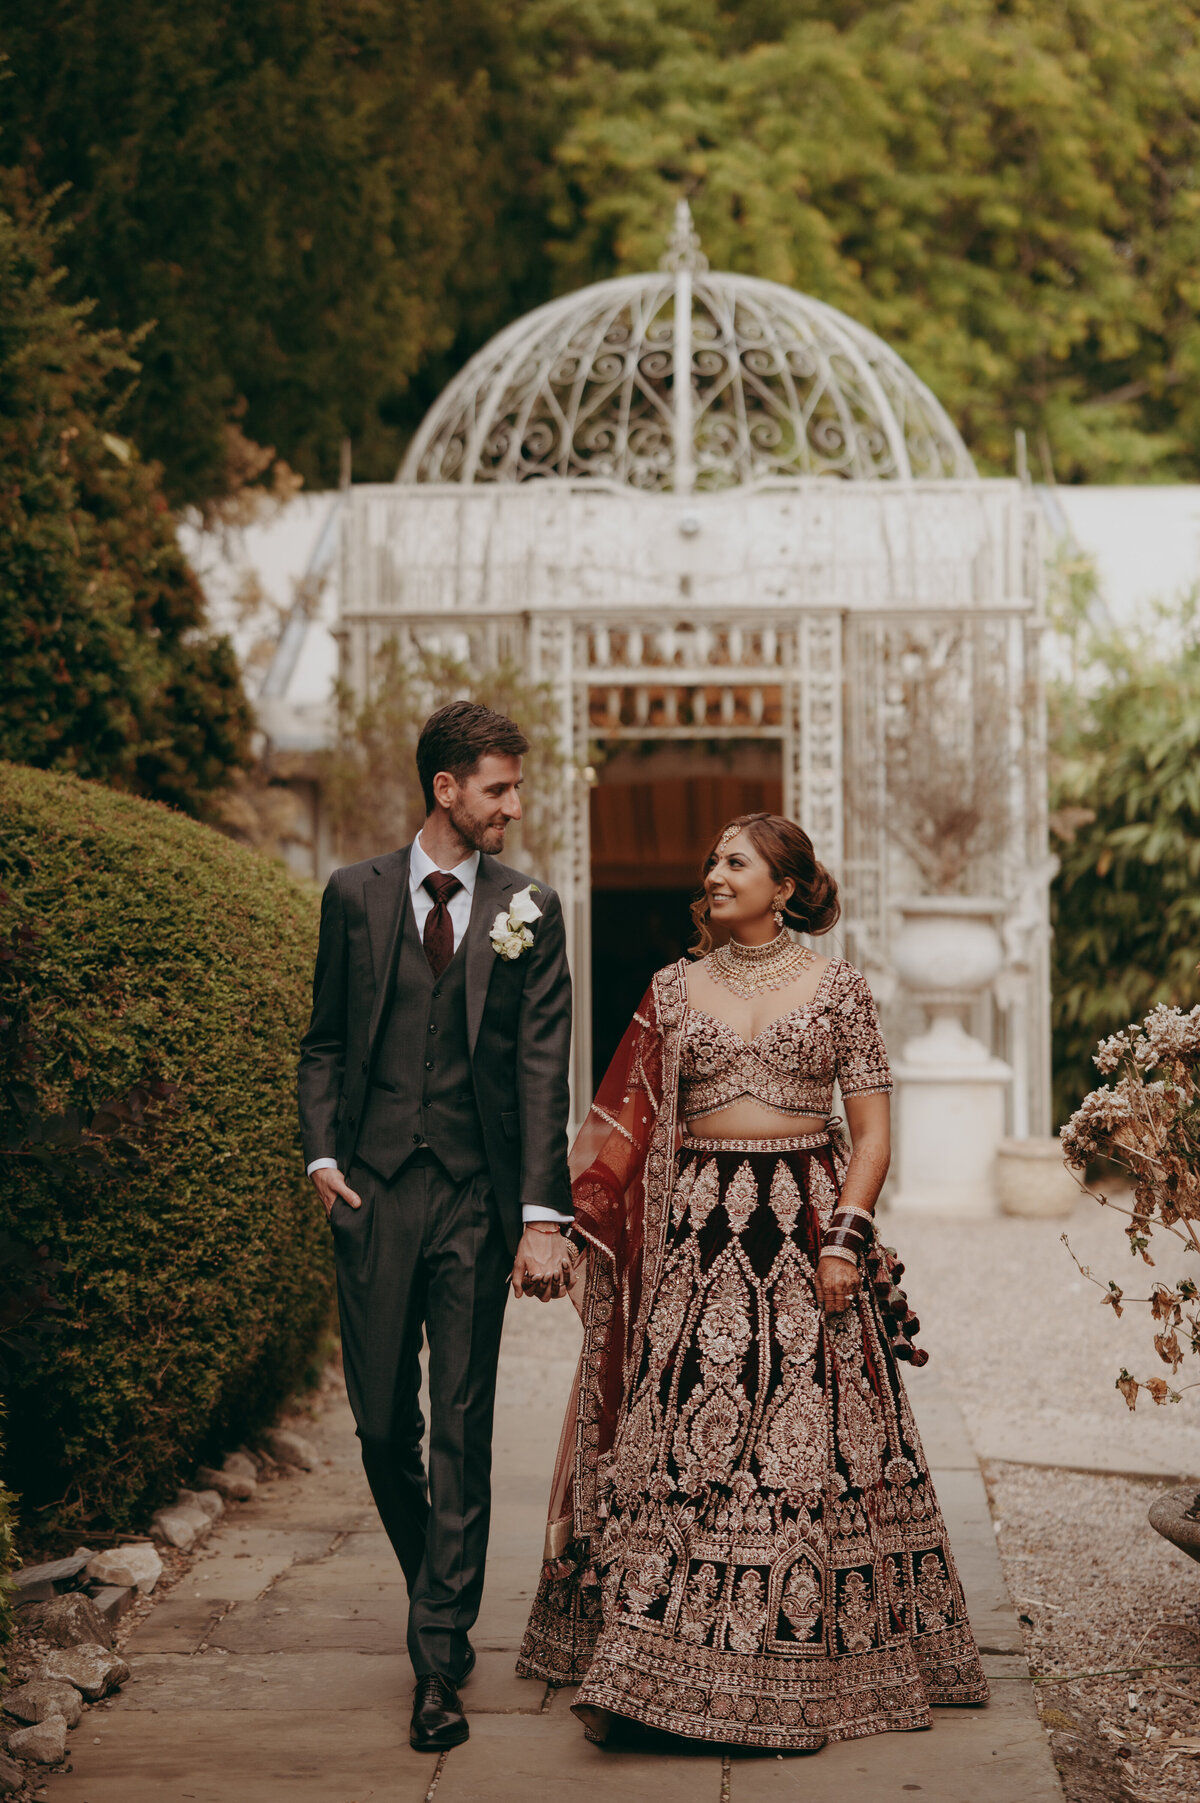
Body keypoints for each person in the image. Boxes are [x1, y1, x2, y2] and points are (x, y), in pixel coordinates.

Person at [518, 813, 988, 1750]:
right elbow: (618, 1128)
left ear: (786, 887)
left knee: (798, 1454)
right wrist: (578, 1224)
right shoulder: (672, 987)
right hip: (696, 1240)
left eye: (739, 861)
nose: (715, 872)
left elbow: (874, 1132)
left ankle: (792, 1658)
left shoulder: (839, 987)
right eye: (713, 860)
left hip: (804, 1228)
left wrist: (845, 1242)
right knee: (681, 1447)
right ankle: (646, 1664)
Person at [298, 700, 574, 1754]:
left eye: (515, 787)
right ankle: (439, 1590)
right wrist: (322, 1155)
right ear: (446, 789)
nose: (515, 805)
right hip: (372, 1191)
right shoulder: (354, 897)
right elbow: (323, 1041)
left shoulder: (530, 910)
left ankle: (437, 1661)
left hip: (474, 1196)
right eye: (498, 787)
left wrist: (539, 1218)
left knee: (462, 1427)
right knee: (380, 1428)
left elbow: (541, 1065)